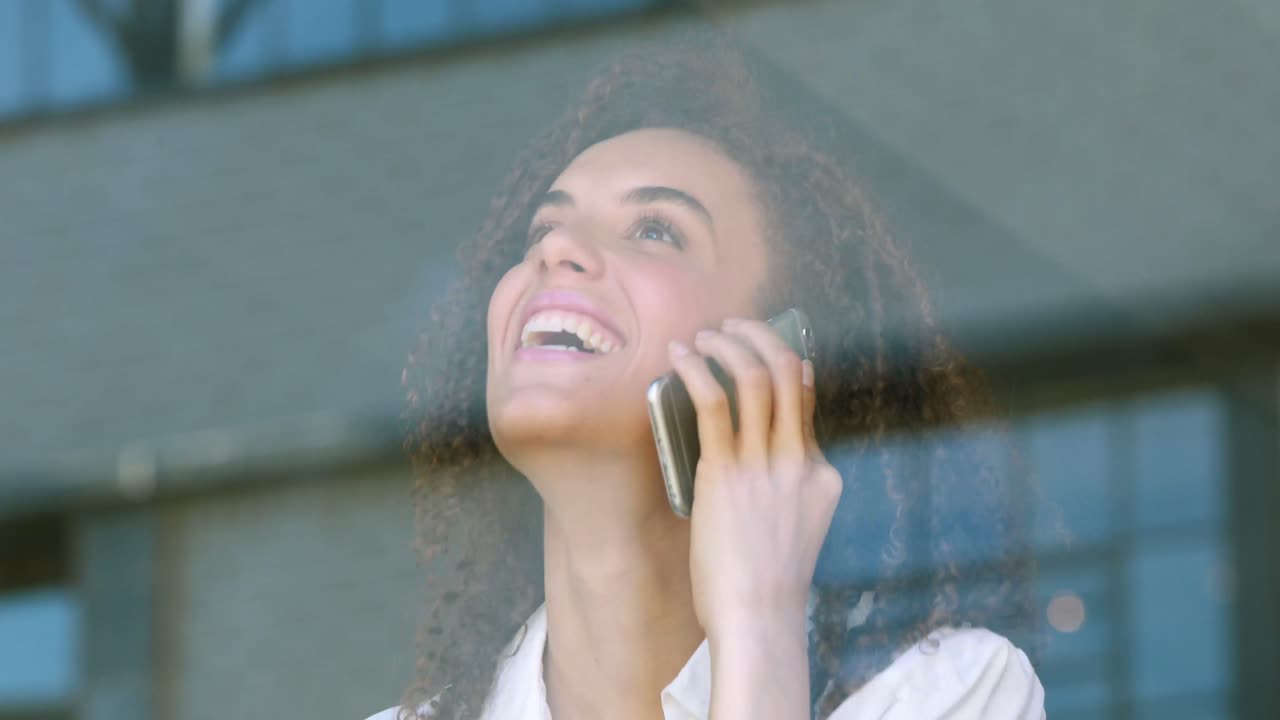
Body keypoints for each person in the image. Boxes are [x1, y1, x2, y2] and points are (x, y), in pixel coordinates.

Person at [370, 35, 1045, 720]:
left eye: (656, 230)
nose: (555, 250)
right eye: (543, 227)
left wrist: (759, 619)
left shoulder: (946, 693)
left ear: (775, 360)